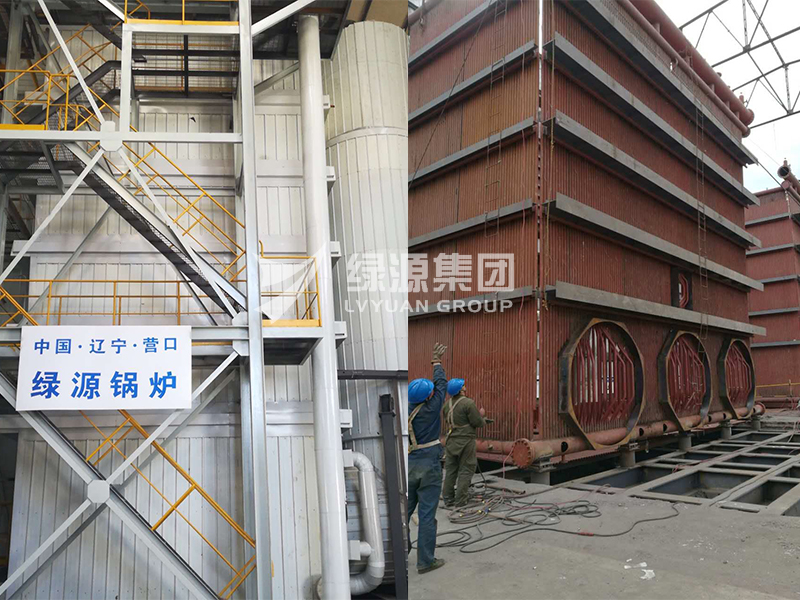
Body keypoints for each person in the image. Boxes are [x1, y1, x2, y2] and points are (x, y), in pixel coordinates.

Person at [407, 342, 448, 574]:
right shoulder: (431, 409)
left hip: (409, 463)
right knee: (426, 515)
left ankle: (400, 552)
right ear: (428, 396)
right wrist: (437, 362)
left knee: (404, 512)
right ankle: (425, 561)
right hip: (428, 464)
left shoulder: (406, 409)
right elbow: (441, 386)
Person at [442, 378, 489, 508]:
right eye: (463, 385)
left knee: (451, 470)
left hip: (451, 441)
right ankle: (461, 501)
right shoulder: (468, 403)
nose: (465, 386)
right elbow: (477, 422)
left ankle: (448, 499)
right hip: (466, 440)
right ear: (461, 389)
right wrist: (482, 417)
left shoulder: (446, 405)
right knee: (466, 469)